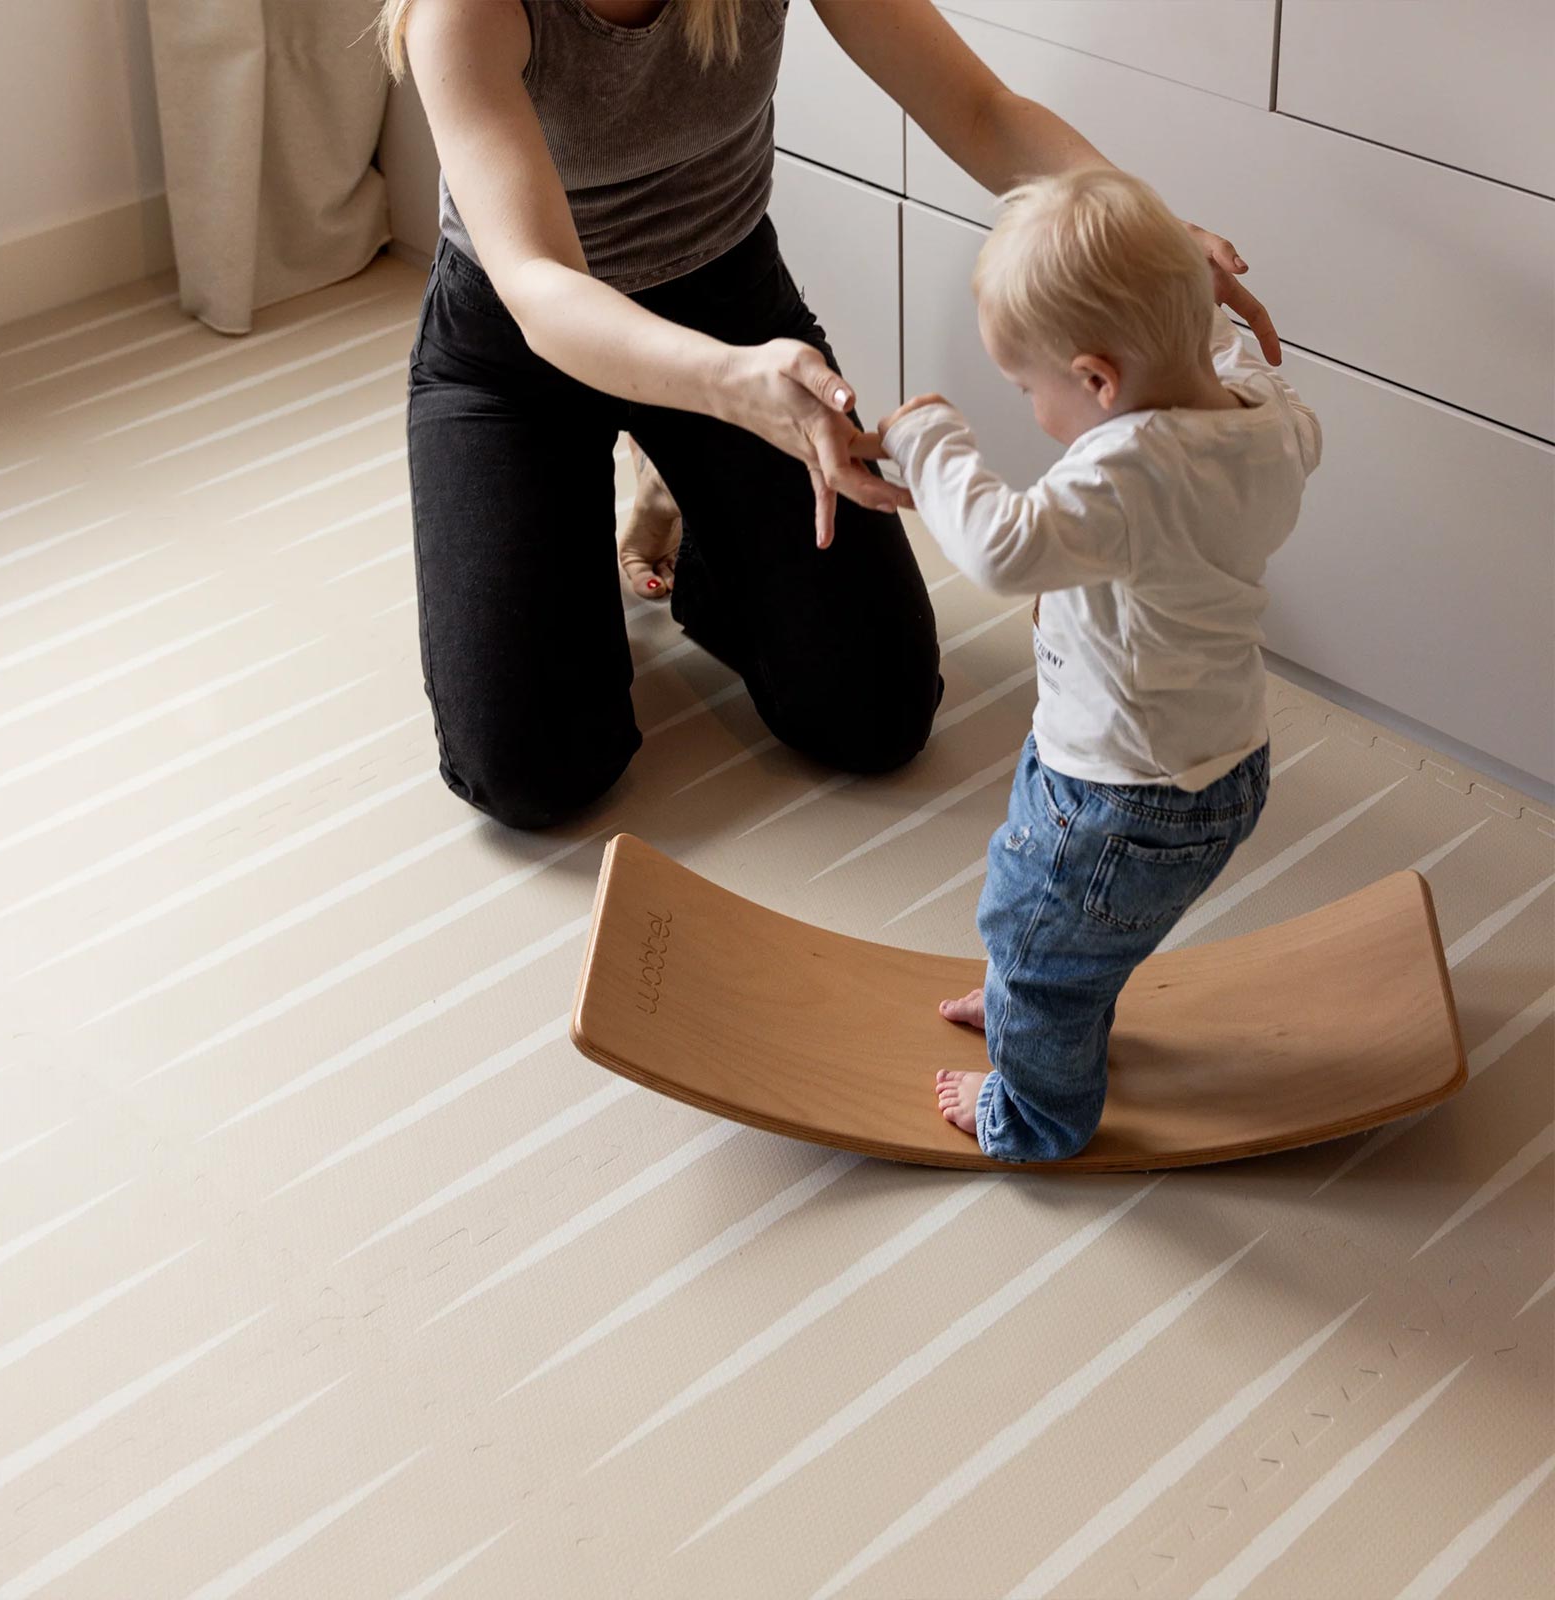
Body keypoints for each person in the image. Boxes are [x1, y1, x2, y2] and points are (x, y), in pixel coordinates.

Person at [381, 0, 1282, 829]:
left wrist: (1149, 238)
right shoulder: (463, 12)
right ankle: (621, 482)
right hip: (523, 346)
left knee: (876, 716)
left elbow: (979, 110)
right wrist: (731, 383)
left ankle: (683, 498)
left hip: (727, 298)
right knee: (536, 772)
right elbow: (539, 287)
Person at [868, 167, 1321, 1162]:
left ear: (1098, 382)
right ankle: (1036, 995)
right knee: (1047, 910)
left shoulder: (1132, 470)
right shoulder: (1270, 416)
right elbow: (1222, 345)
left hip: (1122, 791)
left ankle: (1035, 1112)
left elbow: (1001, 549)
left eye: (1027, 388)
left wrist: (926, 438)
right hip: (1210, 760)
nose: (1029, 406)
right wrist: (1193, 305)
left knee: (1036, 942)